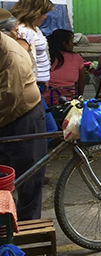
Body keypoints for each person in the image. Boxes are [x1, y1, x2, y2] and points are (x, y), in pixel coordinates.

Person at [0, 28, 47, 221]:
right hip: (8, 117)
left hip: (23, 118)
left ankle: (26, 232)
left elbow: (8, 98)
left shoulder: (10, 53)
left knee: (29, 182)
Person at [11, 0, 58, 133]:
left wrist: (45, 79)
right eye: (43, 13)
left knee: (36, 129)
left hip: (38, 85)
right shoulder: (23, 32)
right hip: (30, 86)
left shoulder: (35, 29)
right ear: (34, 12)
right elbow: (19, 60)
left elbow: (41, 58)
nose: (45, 17)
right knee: (48, 130)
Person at [46, 29, 85, 104]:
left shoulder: (46, 57)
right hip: (68, 102)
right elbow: (81, 82)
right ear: (65, 44)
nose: (72, 44)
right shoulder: (76, 58)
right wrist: (79, 97)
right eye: (71, 41)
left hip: (45, 101)